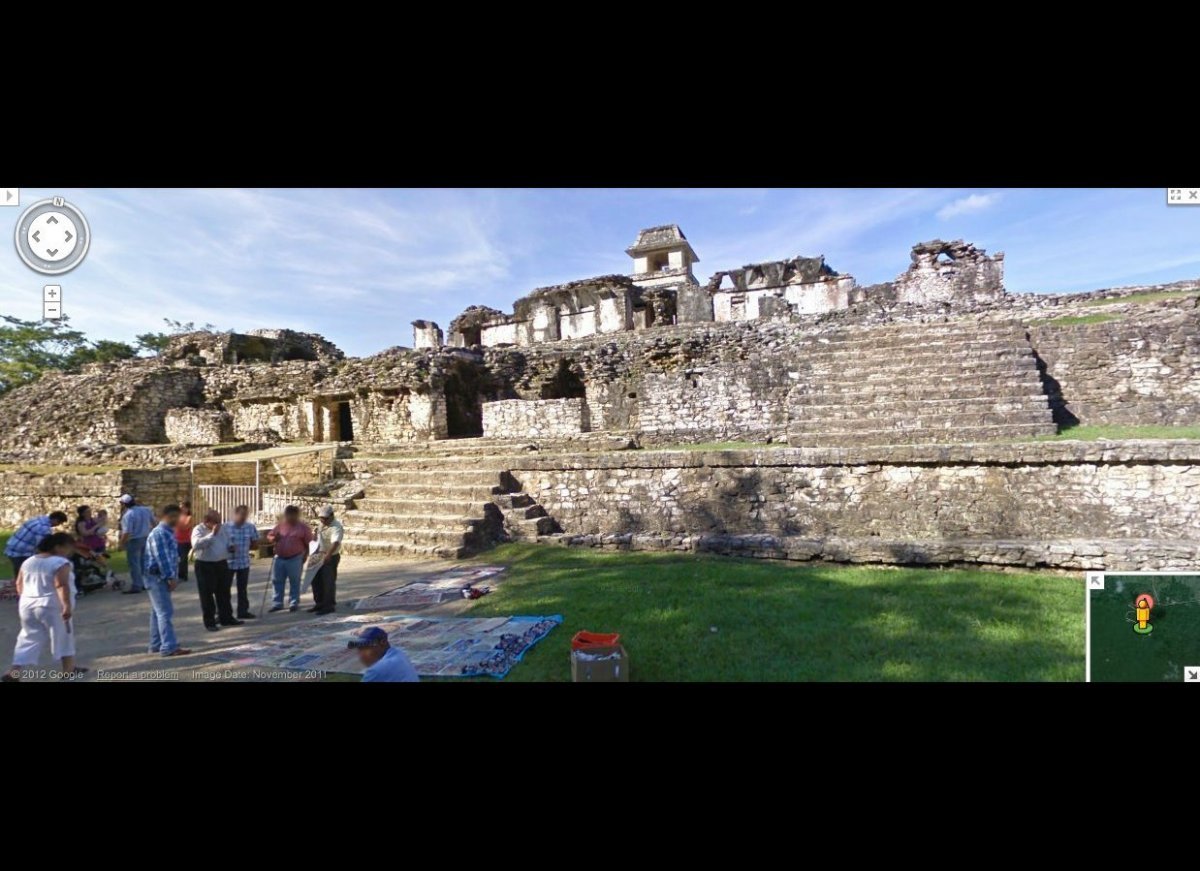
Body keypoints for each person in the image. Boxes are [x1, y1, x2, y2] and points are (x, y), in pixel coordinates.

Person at [3, 532, 84, 682]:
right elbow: (61, 584)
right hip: (51, 605)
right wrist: (66, 605)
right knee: (64, 635)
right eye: (67, 548)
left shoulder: (29, 561)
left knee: (28, 637)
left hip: (28, 604)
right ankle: (68, 670)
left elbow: (19, 583)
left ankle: (14, 671)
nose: (69, 552)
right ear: (58, 547)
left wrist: (26, 599)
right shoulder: (60, 563)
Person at [143, 505, 191, 658]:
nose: (180, 520)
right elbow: (162, 558)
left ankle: (155, 644)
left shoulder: (168, 533)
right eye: (178, 517)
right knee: (165, 612)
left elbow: (172, 557)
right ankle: (168, 646)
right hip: (157, 577)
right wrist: (170, 577)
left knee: (157, 612)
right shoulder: (160, 533)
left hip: (159, 577)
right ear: (171, 516)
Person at [190, 510, 242, 631]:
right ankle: (210, 622)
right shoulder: (198, 530)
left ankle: (226, 617)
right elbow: (196, 545)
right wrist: (212, 534)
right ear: (207, 521)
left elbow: (228, 540)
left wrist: (231, 546)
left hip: (221, 563)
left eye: (220, 521)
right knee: (207, 595)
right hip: (205, 565)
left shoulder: (223, 529)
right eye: (216, 521)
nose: (219, 524)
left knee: (224, 592)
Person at [266, 505, 313, 613]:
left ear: (297, 515)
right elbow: (270, 536)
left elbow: (309, 543)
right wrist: (274, 538)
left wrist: (305, 556)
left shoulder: (303, 528)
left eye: (293, 514)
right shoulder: (280, 526)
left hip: (295, 558)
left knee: (294, 581)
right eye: (288, 514)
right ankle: (277, 603)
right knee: (277, 580)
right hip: (279, 558)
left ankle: (294, 602)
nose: (290, 516)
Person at [4, 511, 69, 579]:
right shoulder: (44, 528)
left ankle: (18, 585)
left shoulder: (39, 519)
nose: (58, 525)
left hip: (12, 546)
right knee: (26, 574)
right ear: (55, 519)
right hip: (21, 552)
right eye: (59, 522)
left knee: (20, 571)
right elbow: (42, 546)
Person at [307, 505, 344, 616]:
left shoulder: (336, 527)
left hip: (330, 556)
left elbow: (335, 542)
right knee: (316, 580)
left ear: (332, 516)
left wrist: (328, 555)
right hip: (318, 554)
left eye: (326, 518)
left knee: (328, 581)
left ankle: (328, 605)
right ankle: (319, 603)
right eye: (321, 518)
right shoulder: (321, 525)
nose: (323, 520)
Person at [347, 627, 419, 682]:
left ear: (383, 642)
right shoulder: (399, 653)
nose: (362, 655)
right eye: (360, 650)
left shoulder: (376, 670)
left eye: (367, 648)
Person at [227, 505, 260, 619]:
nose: (243, 517)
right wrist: (228, 548)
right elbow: (220, 543)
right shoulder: (226, 527)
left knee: (242, 589)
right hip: (228, 563)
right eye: (241, 514)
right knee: (224, 589)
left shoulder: (250, 527)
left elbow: (256, 544)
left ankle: (243, 611)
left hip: (243, 562)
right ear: (235, 514)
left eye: (245, 515)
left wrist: (250, 545)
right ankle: (224, 612)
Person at [118, 494, 155, 594]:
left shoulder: (128, 515)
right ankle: (145, 582)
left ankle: (137, 585)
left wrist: (121, 544)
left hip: (134, 539)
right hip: (146, 537)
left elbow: (126, 532)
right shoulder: (146, 510)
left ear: (124, 504)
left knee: (134, 563)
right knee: (144, 562)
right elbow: (154, 522)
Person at [175, 501, 195, 583]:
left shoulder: (189, 517)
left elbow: (185, 527)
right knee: (177, 558)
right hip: (176, 540)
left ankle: (183, 575)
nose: (181, 508)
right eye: (180, 507)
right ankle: (178, 574)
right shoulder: (177, 516)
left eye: (183, 507)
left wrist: (176, 524)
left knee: (183, 559)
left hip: (185, 541)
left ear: (187, 509)